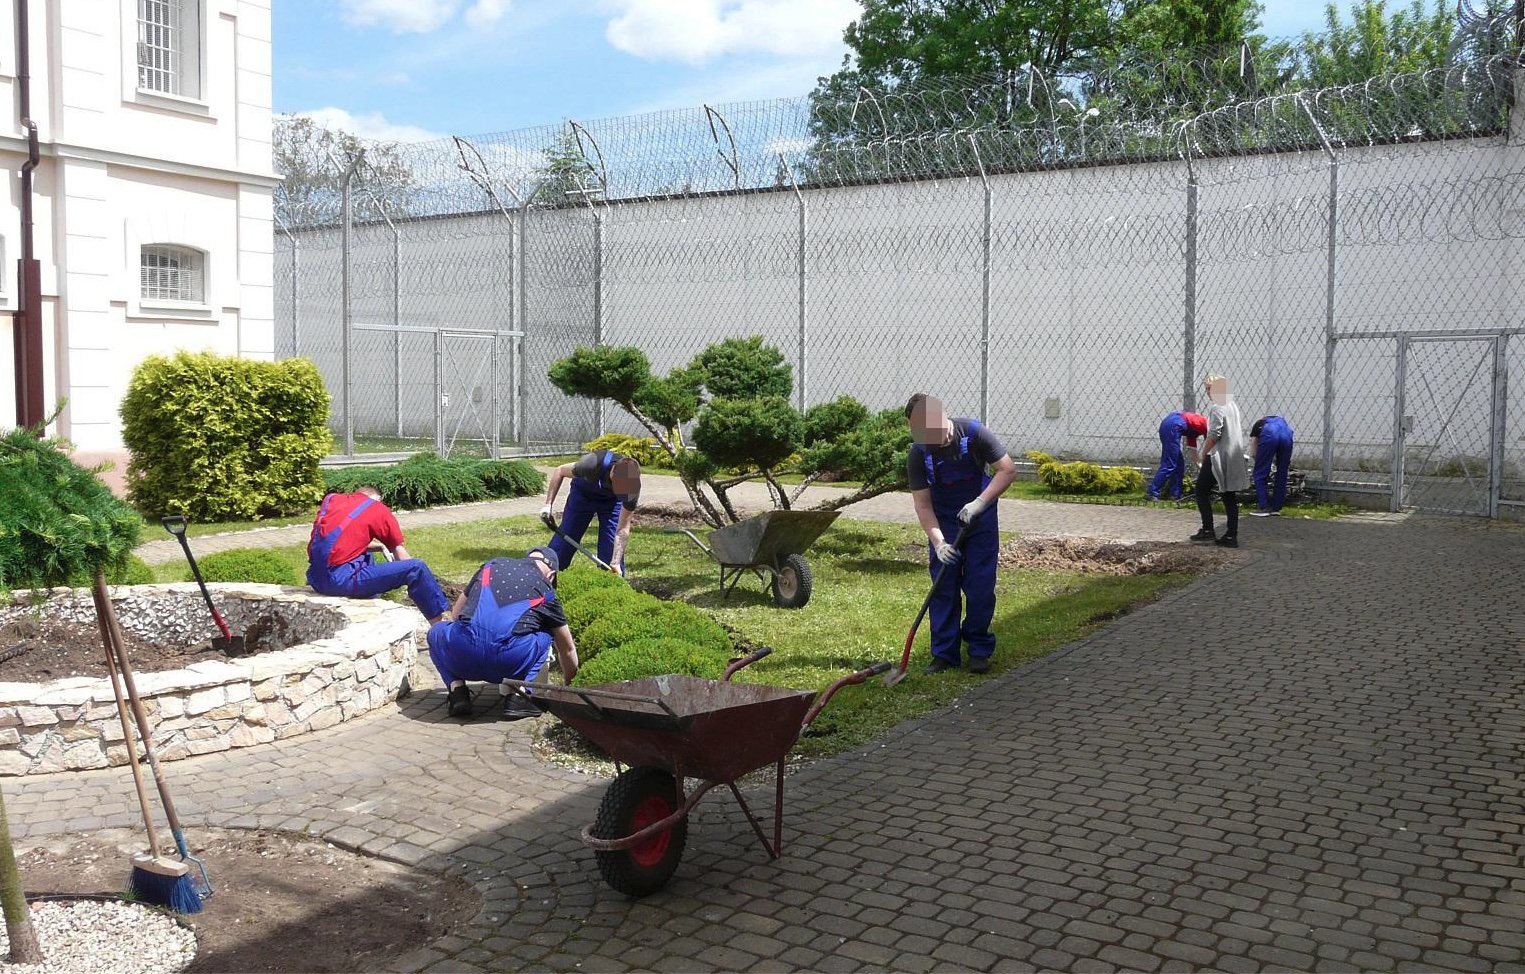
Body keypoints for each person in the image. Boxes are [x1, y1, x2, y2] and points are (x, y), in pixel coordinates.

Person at [905, 393, 1018, 675]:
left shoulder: (974, 433)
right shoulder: (918, 452)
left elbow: (1007, 470)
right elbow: (922, 504)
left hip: (979, 521)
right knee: (943, 588)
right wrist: (938, 542)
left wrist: (980, 502)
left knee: (980, 587)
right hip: (944, 522)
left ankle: (978, 647)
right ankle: (944, 653)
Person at [426, 547, 580, 720]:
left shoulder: (490, 566)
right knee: (546, 635)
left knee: (436, 631)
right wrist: (570, 688)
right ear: (551, 575)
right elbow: (567, 649)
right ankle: (520, 697)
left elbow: (455, 615)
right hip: (509, 664)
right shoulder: (546, 591)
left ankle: (457, 692)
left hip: (463, 657)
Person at [306, 485, 450, 622]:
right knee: (416, 568)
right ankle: (440, 628)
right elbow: (402, 556)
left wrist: (379, 547)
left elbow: (338, 542)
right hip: (339, 581)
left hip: (315, 578)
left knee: (366, 556)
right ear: (377, 499)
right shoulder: (377, 508)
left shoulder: (332, 500)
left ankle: (368, 612)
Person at [541, 450, 642, 575]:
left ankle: (610, 584)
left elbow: (622, 528)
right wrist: (548, 505)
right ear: (613, 471)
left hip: (611, 503)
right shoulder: (591, 464)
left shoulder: (631, 489)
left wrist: (615, 562)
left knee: (610, 548)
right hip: (583, 496)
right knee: (566, 538)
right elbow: (560, 470)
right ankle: (546, 576)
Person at [1192, 375, 1248, 548]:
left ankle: (1208, 529)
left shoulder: (1217, 407)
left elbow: (1214, 434)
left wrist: (1204, 452)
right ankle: (1232, 534)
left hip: (1218, 456)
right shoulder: (1232, 405)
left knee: (1201, 491)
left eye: (1209, 389)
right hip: (1232, 455)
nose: (1207, 393)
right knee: (1228, 494)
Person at [1147, 409, 1208, 501]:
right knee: (1169, 463)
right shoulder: (1205, 424)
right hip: (1174, 425)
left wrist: (1202, 468)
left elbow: (1194, 455)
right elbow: (1210, 446)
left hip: (1170, 424)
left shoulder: (1194, 429)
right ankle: (1152, 493)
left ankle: (1175, 495)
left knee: (1178, 464)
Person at [1249, 415, 1295, 516]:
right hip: (1287, 434)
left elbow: (1253, 452)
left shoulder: (1258, 424)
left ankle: (1264, 507)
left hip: (1269, 433)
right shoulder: (1283, 423)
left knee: (1259, 474)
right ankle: (1276, 508)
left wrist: (1259, 460)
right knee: (1282, 473)